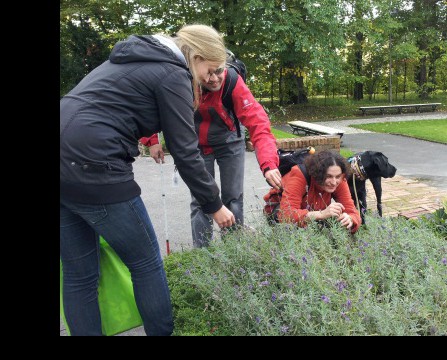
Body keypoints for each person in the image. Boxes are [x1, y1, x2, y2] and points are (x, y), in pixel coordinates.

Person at [60, 24, 236, 336]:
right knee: (145, 264)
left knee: (79, 276)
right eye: (212, 68)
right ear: (196, 56)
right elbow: (184, 151)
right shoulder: (172, 74)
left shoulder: (128, 61)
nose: (213, 77)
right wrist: (215, 204)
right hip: (94, 162)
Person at [140, 57, 281, 248]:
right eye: (209, 73)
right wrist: (152, 140)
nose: (215, 79)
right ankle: (203, 253)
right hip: (196, 145)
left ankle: (234, 249)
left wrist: (268, 164)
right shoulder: (180, 81)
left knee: (233, 197)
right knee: (201, 199)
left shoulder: (232, 81)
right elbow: (156, 107)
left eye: (219, 71)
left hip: (230, 141)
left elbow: (259, 123)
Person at [264, 150, 362, 233]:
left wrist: (350, 219)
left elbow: (352, 211)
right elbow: (285, 215)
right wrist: (321, 214)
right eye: (328, 176)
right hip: (278, 212)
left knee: (335, 223)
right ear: (318, 174)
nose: (334, 182)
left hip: (311, 212)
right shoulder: (299, 175)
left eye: (338, 176)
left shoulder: (339, 179)